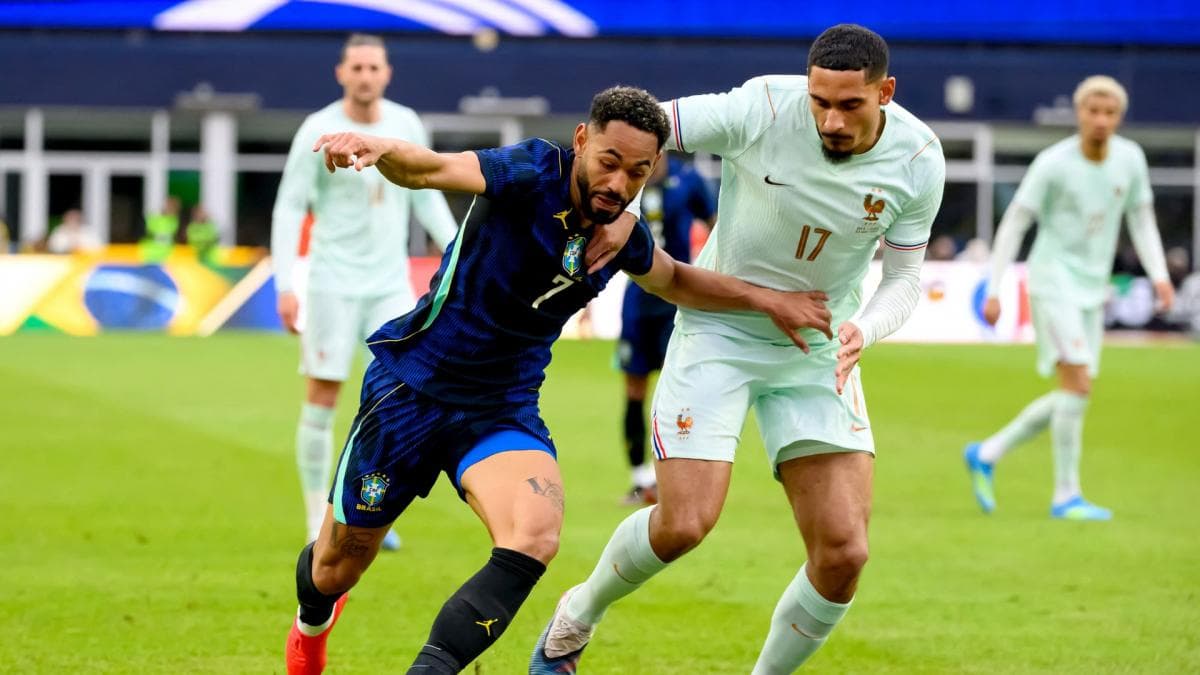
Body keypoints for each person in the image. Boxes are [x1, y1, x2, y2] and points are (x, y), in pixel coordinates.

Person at [283, 86, 833, 675]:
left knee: (535, 535)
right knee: (335, 568)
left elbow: (674, 279)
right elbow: (432, 170)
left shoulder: (621, 231)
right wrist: (379, 147)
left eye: (637, 172)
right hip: (410, 390)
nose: (619, 185)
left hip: (500, 410)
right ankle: (310, 630)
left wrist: (767, 299)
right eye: (609, 162)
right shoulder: (531, 170)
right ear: (580, 141)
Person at [531, 24, 945, 674]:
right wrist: (608, 201)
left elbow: (903, 277)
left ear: (885, 92)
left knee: (843, 553)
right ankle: (577, 613)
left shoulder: (920, 159)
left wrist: (865, 328)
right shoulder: (762, 107)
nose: (831, 120)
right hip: (718, 326)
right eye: (820, 102)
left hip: (817, 344)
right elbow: (641, 127)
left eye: (850, 105)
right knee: (683, 524)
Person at [271, 34, 461, 549]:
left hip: (388, 285)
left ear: (386, 73)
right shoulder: (318, 129)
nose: (364, 75)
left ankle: (375, 514)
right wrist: (286, 282)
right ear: (341, 74)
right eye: (356, 67)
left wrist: (459, 251)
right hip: (332, 282)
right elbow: (290, 206)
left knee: (397, 399)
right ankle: (317, 521)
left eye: (372, 67)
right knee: (323, 397)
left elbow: (426, 197)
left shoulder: (405, 124)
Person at [964, 75, 1174, 520]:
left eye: (1109, 113)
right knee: (1077, 384)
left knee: (1075, 392)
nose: (1100, 120)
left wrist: (1159, 275)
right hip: (1051, 281)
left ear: (1119, 117)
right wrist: (996, 286)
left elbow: (1141, 220)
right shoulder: (1053, 163)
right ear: (1078, 114)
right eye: (1092, 111)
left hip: (1092, 289)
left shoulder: (1130, 159)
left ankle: (987, 451)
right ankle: (1065, 496)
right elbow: (1015, 222)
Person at [616, 155, 716, 505]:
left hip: (677, 301)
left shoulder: (688, 180)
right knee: (634, 389)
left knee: (682, 391)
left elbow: (719, 224)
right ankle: (639, 478)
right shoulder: (626, 178)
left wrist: (710, 277)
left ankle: (681, 482)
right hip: (637, 301)